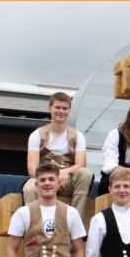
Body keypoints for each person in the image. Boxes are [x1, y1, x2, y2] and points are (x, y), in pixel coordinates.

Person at [23, 91, 94, 220]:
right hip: (44, 179)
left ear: (69, 110)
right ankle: (34, 225)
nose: (61, 111)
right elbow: (32, 169)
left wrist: (65, 171)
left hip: (66, 183)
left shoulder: (78, 136)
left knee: (85, 173)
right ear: (50, 108)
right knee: (29, 188)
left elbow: (81, 164)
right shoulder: (37, 135)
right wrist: (50, 180)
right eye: (58, 107)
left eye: (65, 108)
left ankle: (75, 221)